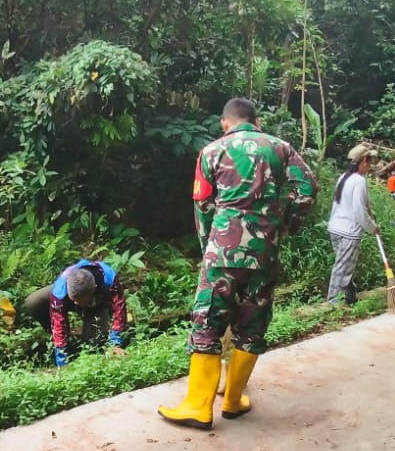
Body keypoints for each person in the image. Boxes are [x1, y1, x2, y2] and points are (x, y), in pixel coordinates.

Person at [158, 98, 316, 430]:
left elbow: (202, 204)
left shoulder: (211, 151)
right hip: (264, 251)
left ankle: (198, 406)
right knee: (252, 324)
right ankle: (232, 400)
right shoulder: (281, 148)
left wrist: (208, 246)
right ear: (256, 122)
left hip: (223, 251)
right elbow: (307, 188)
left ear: (225, 123)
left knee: (208, 322)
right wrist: (285, 222)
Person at [22, 259, 128, 367]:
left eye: (79, 301)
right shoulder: (60, 290)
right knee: (33, 302)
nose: (76, 303)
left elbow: (120, 310)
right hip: (67, 295)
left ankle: (92, 329)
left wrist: (115, 343)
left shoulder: (109, 278)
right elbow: (58, 324)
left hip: (98, 302)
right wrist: (62, 361)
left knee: (94, 343)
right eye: (74, 300)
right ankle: (68, 336)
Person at [326, 144, 379, 304]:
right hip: (349, 231)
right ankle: (333, 303)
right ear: (363, 161)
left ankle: (350, 297)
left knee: (344, 265)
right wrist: (372, 228)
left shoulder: (344, 177)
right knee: (343, 268)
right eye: (369, 163)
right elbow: (359, 211)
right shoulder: (359, 181)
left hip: (335, 228)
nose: (370, 167)